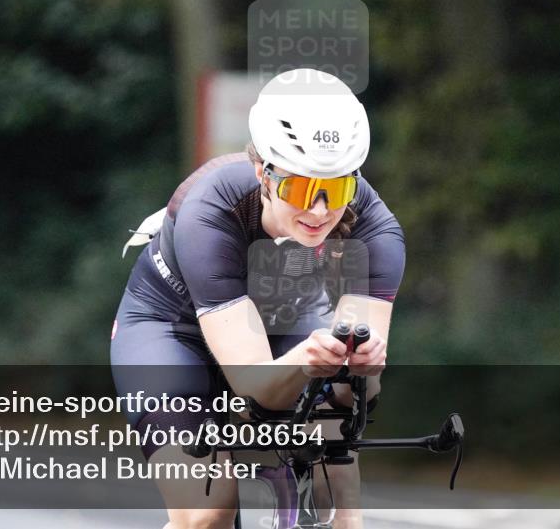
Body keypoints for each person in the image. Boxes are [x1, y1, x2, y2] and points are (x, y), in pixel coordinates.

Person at [110, 68, 405, 529]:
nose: (321, 210)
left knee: (341, 502)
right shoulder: (209, 209)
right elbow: (253, 383)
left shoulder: (377, 231)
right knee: (207, 510)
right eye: (301, 187)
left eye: (339, 188)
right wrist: (307, 361)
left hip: (284, 325)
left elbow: (354, 400)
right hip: (171, 329)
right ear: (261, 172)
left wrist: (359, 370)